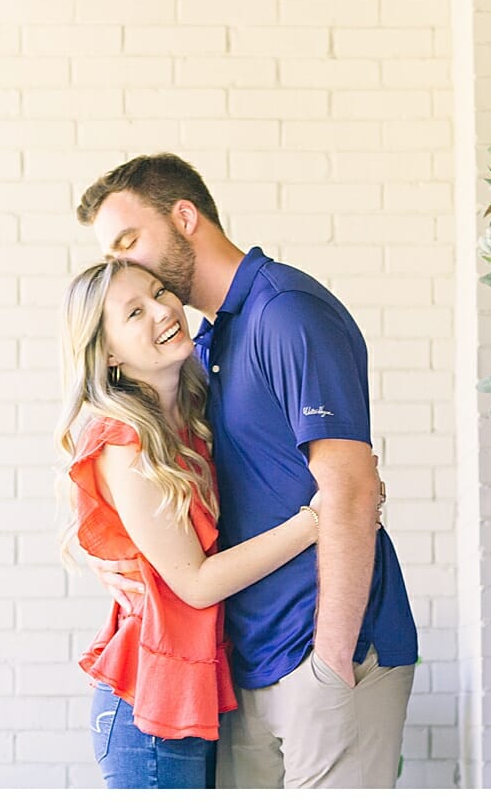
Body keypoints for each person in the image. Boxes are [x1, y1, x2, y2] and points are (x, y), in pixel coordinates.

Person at [78, 154, 416, 790]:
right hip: (246, 671)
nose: (124, 266)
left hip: (323, 654)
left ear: (184, 217)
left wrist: (332, 660)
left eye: (129, 242)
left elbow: (349, 486)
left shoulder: (285, 313)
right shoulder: (208, 345)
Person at [58, 256, 327, 787]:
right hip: (149, 713)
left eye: (160, 292)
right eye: (134, 312)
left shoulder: (192, 409)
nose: (163, 311)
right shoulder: (125, 442)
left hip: (194, 693)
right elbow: (196, 584)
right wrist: (317, 520)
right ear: (107, 352)